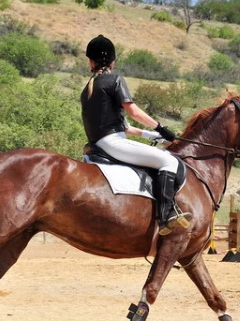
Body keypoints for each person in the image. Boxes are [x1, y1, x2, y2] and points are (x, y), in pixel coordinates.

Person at [81, 34, 191, 235]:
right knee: (170, 162)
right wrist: (160, 128)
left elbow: (124, 127)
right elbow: (133, 112)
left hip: (100, 145)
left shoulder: (88, 89)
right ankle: (166, 216)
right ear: (112, 62)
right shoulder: (114, 80)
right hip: (113, 143)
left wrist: (151, 136)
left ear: (90, 61)